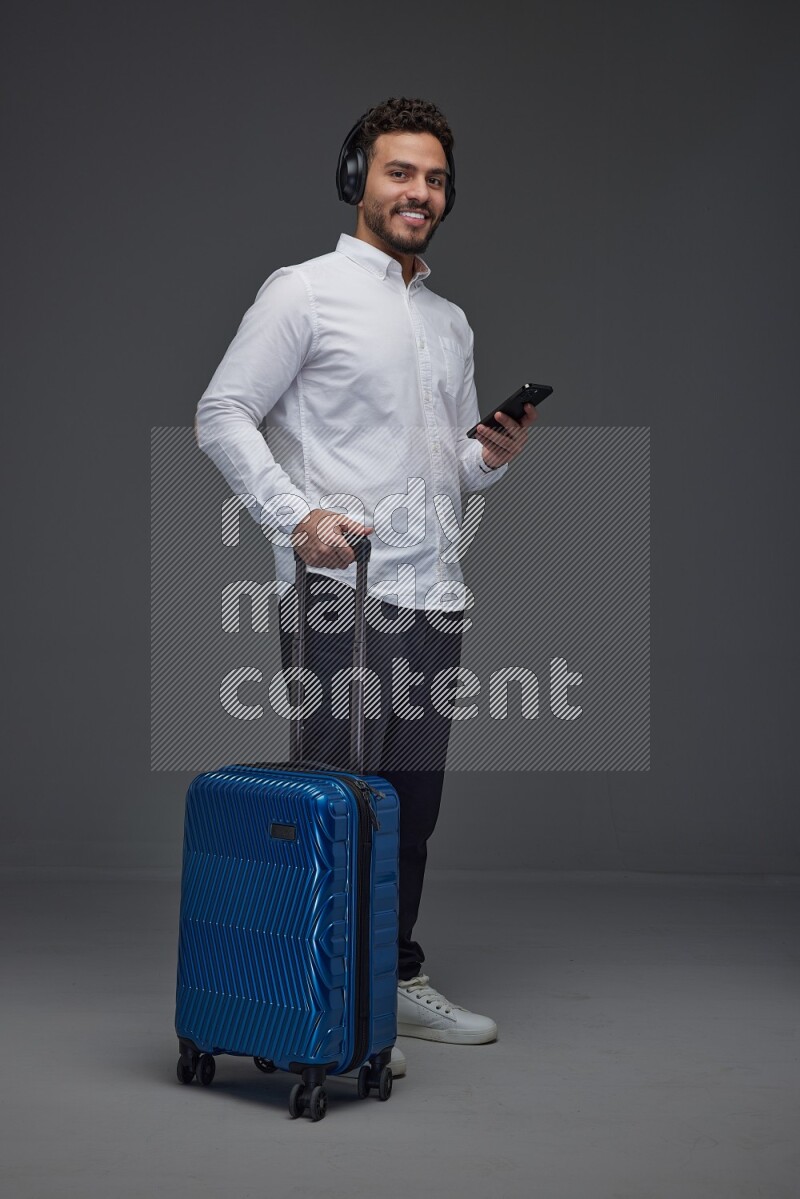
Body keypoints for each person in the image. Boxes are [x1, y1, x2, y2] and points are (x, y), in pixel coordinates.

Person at [195, 97, 537, 1071]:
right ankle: (317, 996)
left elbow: (451, 472)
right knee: (336, 796)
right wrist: (293, 517)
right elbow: (222, 411)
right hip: (339, 592)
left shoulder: (450, 323)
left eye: (432, 179)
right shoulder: (303, 292)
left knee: (408, 807)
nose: (417, 193)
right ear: (358, 179)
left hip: (435, 594)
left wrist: (491, 451)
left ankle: (391, 978)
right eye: (399, 172)